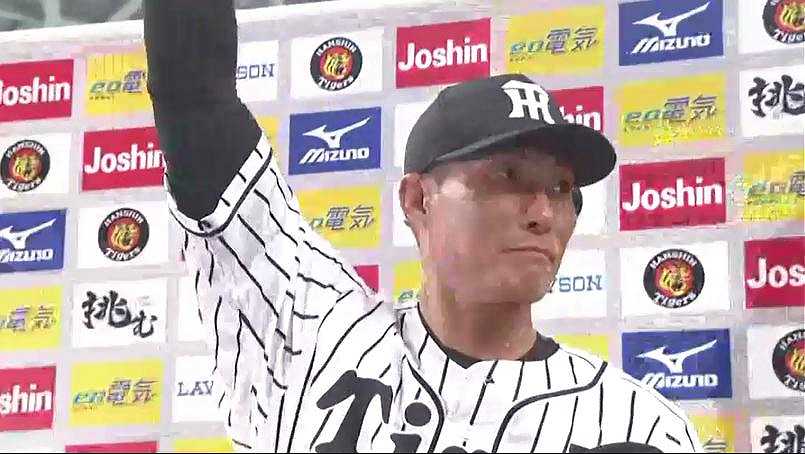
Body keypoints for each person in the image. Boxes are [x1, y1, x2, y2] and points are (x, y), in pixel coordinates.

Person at [143, 1, 701, 452]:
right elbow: (195, 99)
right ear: (418, 200)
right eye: (508, 176)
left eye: (560, 188)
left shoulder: (639, 429)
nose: (542, 212)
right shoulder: (312, 333)